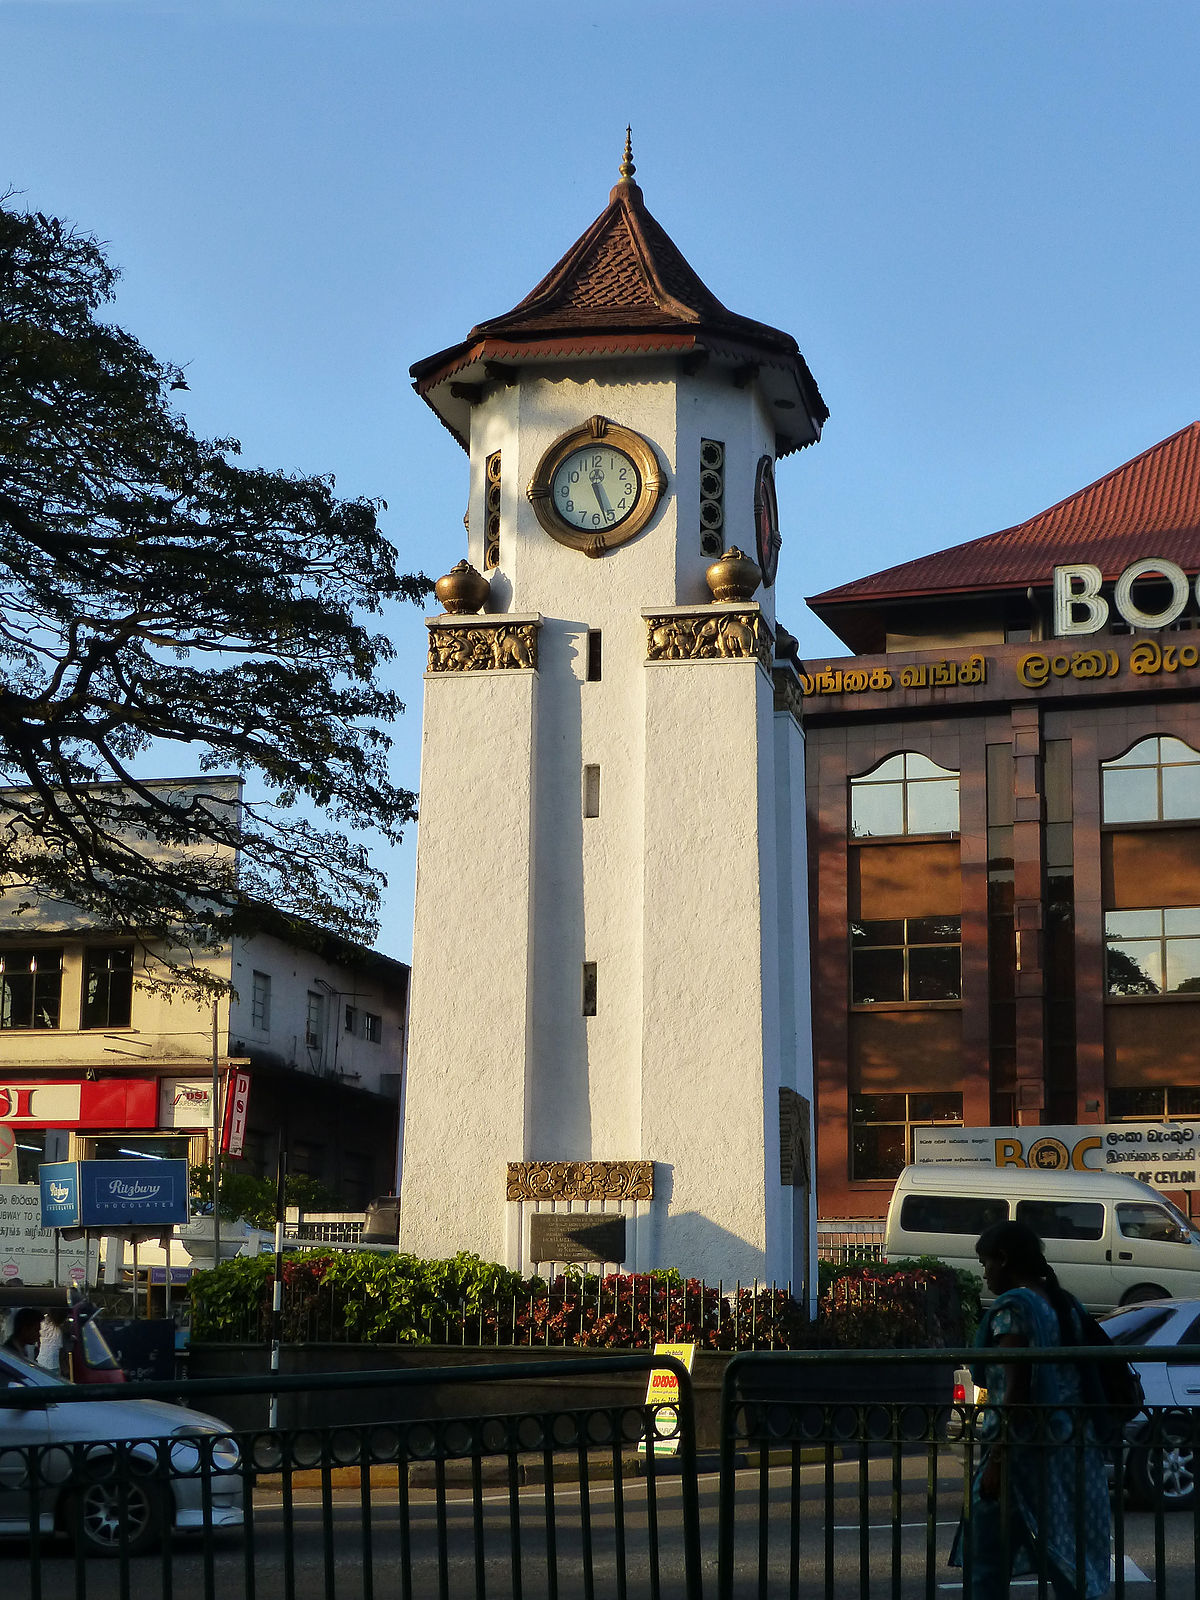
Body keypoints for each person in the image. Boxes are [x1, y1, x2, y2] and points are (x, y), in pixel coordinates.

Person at [949, 1220, 1111, 1600]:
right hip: (1070, 1445)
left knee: (986, 1557)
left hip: (1021, 1455)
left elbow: (1015, 1389)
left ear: (1003, 1260)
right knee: (1068, 1553)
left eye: (986, 1262)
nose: (984, 1273)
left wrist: (997, 1463)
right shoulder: (1063, 1303)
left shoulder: (1014, 1308)